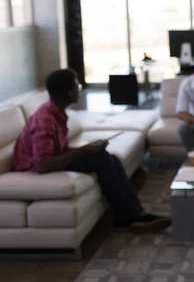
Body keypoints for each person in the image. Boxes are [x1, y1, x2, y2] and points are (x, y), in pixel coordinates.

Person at [12, 69, 171, 231]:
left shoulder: (57, 113)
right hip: (37, 168)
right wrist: (81, 152)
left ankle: (136, 213)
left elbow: (57, 150)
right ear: (68, 93)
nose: (79, 89)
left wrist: (87, 149)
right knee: (101, 159)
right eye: (77, 86)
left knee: (111, 158)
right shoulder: (45, 120)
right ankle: (125, 217)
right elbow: (43, 164)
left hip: (50, 161)